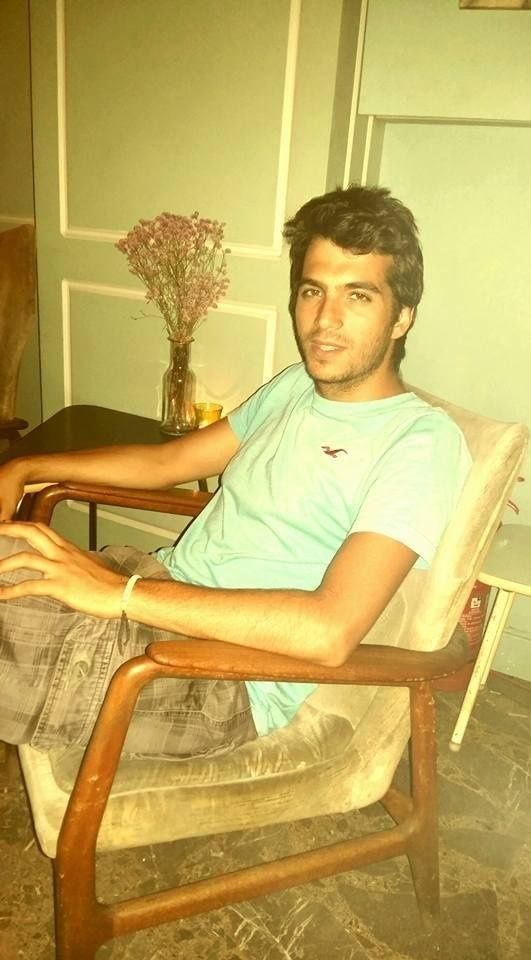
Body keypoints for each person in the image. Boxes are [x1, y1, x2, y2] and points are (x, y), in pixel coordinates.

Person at [0, 185, 471, 758]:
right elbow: (171, 461)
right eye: (312, 291)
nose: (324, 320)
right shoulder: (297, 386)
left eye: (358, 295)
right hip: (157, 587)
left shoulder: (421, 441)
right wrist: (26, 466)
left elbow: (328, 631)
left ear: (402, 318)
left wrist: (121, 594)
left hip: (217, 677)